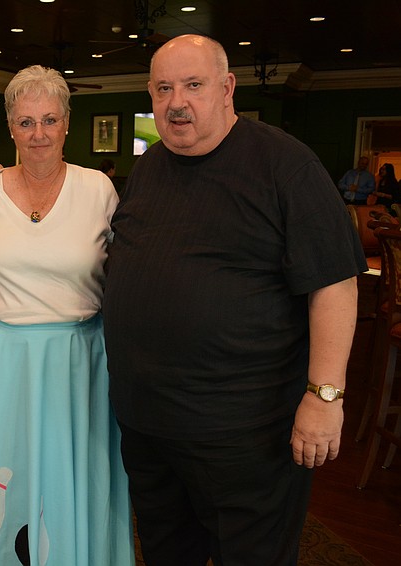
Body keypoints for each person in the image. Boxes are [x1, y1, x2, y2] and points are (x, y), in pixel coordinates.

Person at [102, 35, 365, 566]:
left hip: (245, 436)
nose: (177, 101)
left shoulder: (285, 165)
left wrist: (325, 396)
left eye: (193, 85)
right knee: (165, 554)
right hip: (150, 428)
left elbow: (335, 284)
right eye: (163, 88)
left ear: (227, 89)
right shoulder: (150, 167)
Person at [0, 65, 134, 566]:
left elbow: (123, 275)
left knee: (70, 473)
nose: (39, 133)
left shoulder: (98, 192)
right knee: (0, 471)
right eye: (26, 122)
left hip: (76, 357)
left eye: (49, 120)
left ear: (68, 123)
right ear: (10, 127)